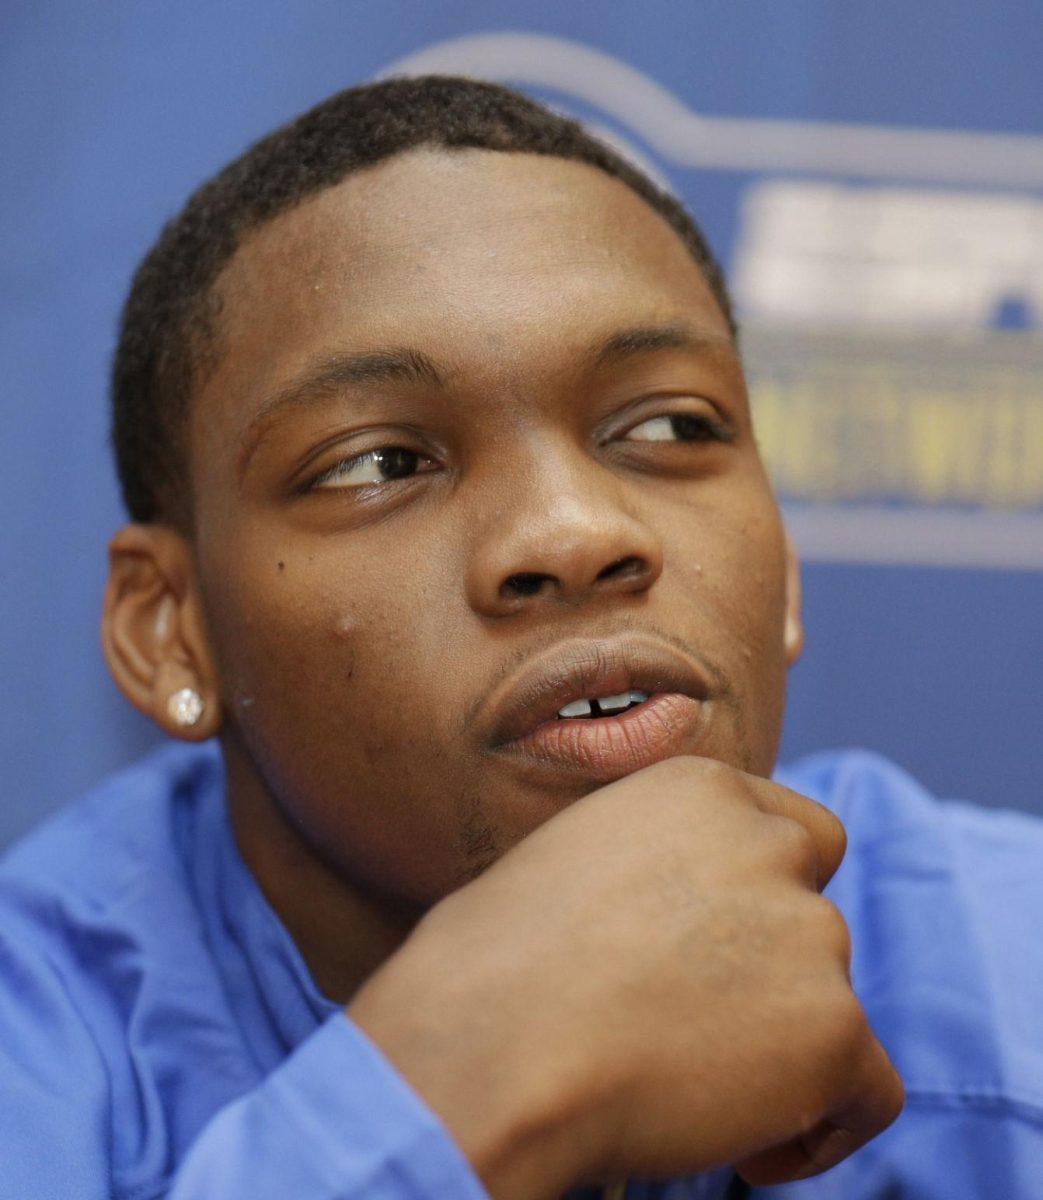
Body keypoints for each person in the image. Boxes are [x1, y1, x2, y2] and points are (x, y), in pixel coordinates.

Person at [0, 76, 1039, 1200]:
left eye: (666, 426)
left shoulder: (1001, 971)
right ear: (171, 633)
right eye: (379, 464)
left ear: (781, 569)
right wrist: (461, 1094)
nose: (575, 531)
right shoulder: (41, 1055)